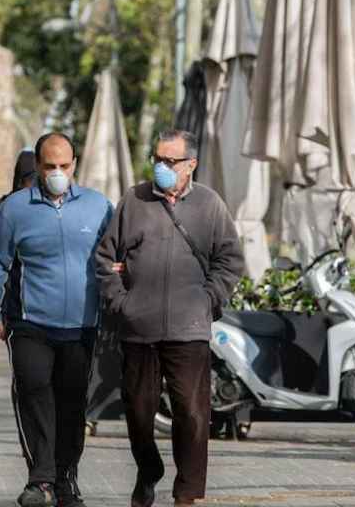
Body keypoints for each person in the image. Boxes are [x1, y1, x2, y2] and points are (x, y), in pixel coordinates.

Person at [95, 129, 244, 507]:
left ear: (191, 164)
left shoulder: (210, 205)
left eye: (170, 161)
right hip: (137, 328)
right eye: (157, 159)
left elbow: (230, 261)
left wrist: (208, 300)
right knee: (138, 412)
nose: (161, 166)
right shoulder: (134, 200)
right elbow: (103, 259)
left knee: (192, 414)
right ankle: (148, 472)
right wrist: (121, 302)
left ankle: (187, 493)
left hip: (189, 329)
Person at [0, 133, 113, 507]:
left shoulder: (98, 206)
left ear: (75, 164)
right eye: (50, 166)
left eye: (64, 166)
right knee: (34, 392)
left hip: (82, 326)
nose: (57, 173)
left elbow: (118, 254)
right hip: (30, 324)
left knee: (72, 404)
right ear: (37, 166)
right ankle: (40, 480)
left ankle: (66, 479)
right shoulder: (16, 208)